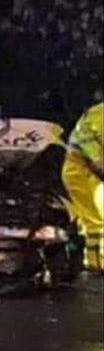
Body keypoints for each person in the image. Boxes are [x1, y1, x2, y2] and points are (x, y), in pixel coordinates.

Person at [62, 102, 104, 273]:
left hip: (89, 171)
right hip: (79, 170)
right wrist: (98, 160)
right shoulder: (99, 113)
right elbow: (86, 137)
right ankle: (95, 263)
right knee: (94, 220)